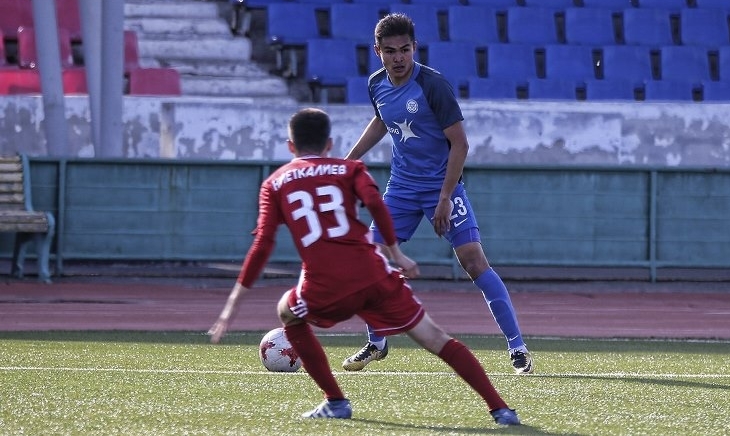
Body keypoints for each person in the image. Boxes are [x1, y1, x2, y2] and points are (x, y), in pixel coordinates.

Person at [208, 108, 521, 425]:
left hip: (324, 284)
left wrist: (232, 304)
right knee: (435, 338)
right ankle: (501, 410)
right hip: (374, 274)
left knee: (288, 312)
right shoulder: (350, 169)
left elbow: (262, 245)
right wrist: (397, 254)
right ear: (329, 144)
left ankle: (335, 401)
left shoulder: (274, 183)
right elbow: (376, 206)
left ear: (291, 146)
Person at [342, 13, 534, 375]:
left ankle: (517, 347)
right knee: (369, 259)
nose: (399, 57)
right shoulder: (376, 84)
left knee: (473, 262)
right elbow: (382, 120)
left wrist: (445, 197)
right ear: (378, 52)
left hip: (441, 187)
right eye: (390, 51)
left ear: (415, 47)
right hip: (401, 188)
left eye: (405, 49)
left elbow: (460, 144)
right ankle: (377, 342)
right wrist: (349, 162)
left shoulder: (433, 85)